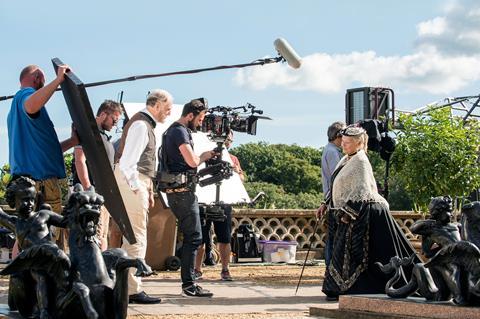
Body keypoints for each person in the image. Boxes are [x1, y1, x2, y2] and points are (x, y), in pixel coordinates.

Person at [318, 125, 417, 301]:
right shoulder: (347, 159)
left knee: (350, 253)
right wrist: (326, 203)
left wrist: (348, 213)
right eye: (344, 142)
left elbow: (362, 191)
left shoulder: (361, 161)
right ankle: (337, 289)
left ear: (358, 143)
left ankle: (342, 289)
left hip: (358, 213)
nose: (344, 145)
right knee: (340, 252)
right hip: (343, 212)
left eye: (348, 143)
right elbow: (338, 185)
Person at [7, 64, 78, 252]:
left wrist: (71, 141)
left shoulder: (20, 112)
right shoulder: (24, 96)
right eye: (44, 80)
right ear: (37, 77)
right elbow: (31, 105)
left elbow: (46, 150)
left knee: (26, 235)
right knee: (47, 234)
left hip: (28, 179)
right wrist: (58, 80)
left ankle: (20, 278)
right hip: (37, 182)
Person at [115, 89, 173, 304]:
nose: (168, 113)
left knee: (132, 237)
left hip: (138, 180)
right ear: (156, 105)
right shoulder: (141, 125)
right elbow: (128, 163)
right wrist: (137, 188)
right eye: (166, 109)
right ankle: (132, 289)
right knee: (137, 236)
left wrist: (145, 188)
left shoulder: (142, 124)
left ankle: (124, 285)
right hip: (133, 180)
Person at [162, 98, 216, 297]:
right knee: (194, 237)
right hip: (182, 193)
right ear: (190, 115)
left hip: (179, 192)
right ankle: (189, 285)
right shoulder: (179, 131)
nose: (200, 123)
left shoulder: (173, 131)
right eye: (200, 118)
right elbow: (192, 162)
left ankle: (190, 283)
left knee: (193, 237)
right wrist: (204, 156)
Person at [0, 176, 70, 318]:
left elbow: (66, 222)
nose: (30, 203)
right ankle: (43, 310)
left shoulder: (43, 215)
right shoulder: (15, 223)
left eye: (32, 199)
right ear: (14, 201)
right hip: (31, 262)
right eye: (25, 199)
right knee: (39, 275)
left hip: (50, 257)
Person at [72, 100, 123, 251]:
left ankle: (102, 270)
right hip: (90, 195)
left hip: (103, 195)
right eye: (114, 119)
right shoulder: (86, 131)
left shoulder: (105, 138)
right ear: (103, 114)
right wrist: (88, 188)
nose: (115, 124)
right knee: (91, 234)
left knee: (101, 234)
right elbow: (79, 160)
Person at [194, 130, 243, 281]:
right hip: (203, 199)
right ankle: (196, 269)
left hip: (224, 201)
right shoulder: (204, 153)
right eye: (226, 138)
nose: (227, 142)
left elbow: (242, 178)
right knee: (200, 237)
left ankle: (225, 269)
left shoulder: (233, 159)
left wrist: (235, 171)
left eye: (229, 140)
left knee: (224, 237)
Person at [318, 121, 345, 267]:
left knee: (332, 236)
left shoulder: (329, 150)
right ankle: (330, 267)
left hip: (330, 197)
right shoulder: (333, 152)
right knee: (333, 236)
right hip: (333, 198)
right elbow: (337, 177)